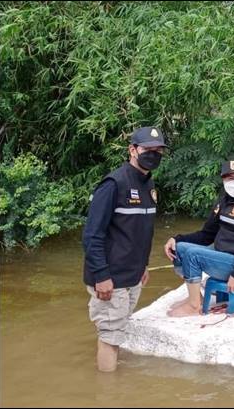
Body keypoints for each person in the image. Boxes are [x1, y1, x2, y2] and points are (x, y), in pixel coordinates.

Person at [82, 126, 167, 372]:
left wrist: (144, 266)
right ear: (132, 150)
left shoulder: (148, 184)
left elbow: (142, 232)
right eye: (148, 150)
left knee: (116, 330)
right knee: (110, 335)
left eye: (158, 150)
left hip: (133, 275)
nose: (154, 154)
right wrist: (102, 276)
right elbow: (92, 236)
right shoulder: (113, 184)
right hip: (111, 279)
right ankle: (108, 393)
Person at [163, 159, 234, 317]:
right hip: (223, 256)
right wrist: (176, 239)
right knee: (181, 248)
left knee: (193, 255)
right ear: (223, 180)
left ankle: (194, 306)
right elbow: (206, 235)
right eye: (230, 178)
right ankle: (196, 296)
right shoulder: (223, 201)